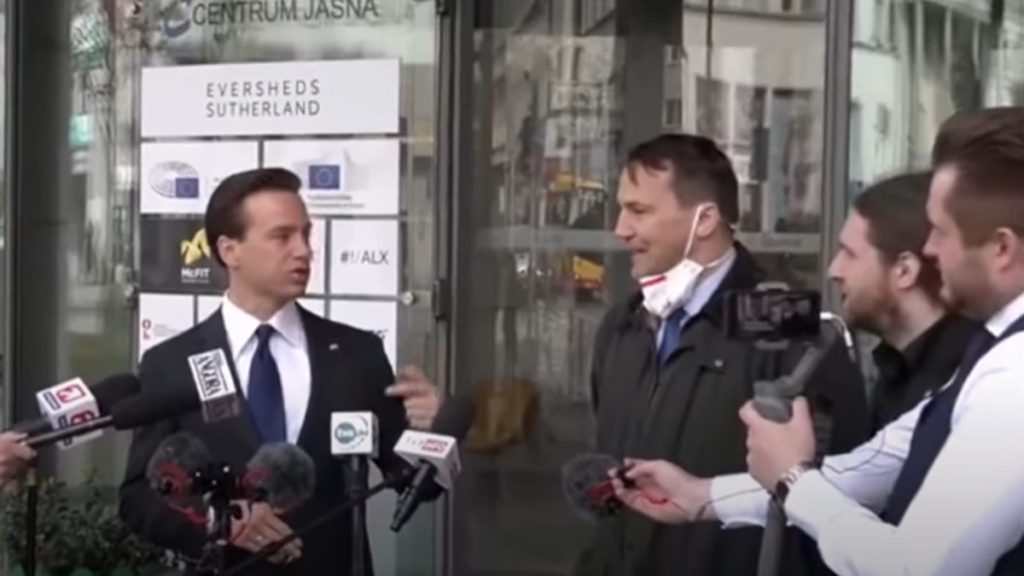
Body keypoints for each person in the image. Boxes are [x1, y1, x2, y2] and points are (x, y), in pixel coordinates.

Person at [612, 107, 1024, 575]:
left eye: (942, 232)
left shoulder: (1012, 377)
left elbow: (917, 567)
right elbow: (871, 467)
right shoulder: (991, 353)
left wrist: (793, 479)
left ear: (1002, 248)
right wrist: (701, 496)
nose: (929, 249)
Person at [574, 133, 870, 576]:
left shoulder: (791, 329)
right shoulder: (623, 324)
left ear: (705, 219)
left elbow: (838, 489)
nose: (621, 229)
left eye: (639, 211)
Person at [119, 168, 441, 575]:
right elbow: (139, 499)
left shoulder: (357, 354)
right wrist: (221, 523)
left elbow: (416, 483)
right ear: (230, 251)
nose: (304, 251)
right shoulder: (172, 363)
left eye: (306, 234)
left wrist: (435, 432)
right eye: (282, 236)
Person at [828, 172, 982, 430]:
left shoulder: (964, 383)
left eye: (850, 254)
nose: (834, 271)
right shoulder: (897, 371)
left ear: (904, 271)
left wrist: (792, 456)